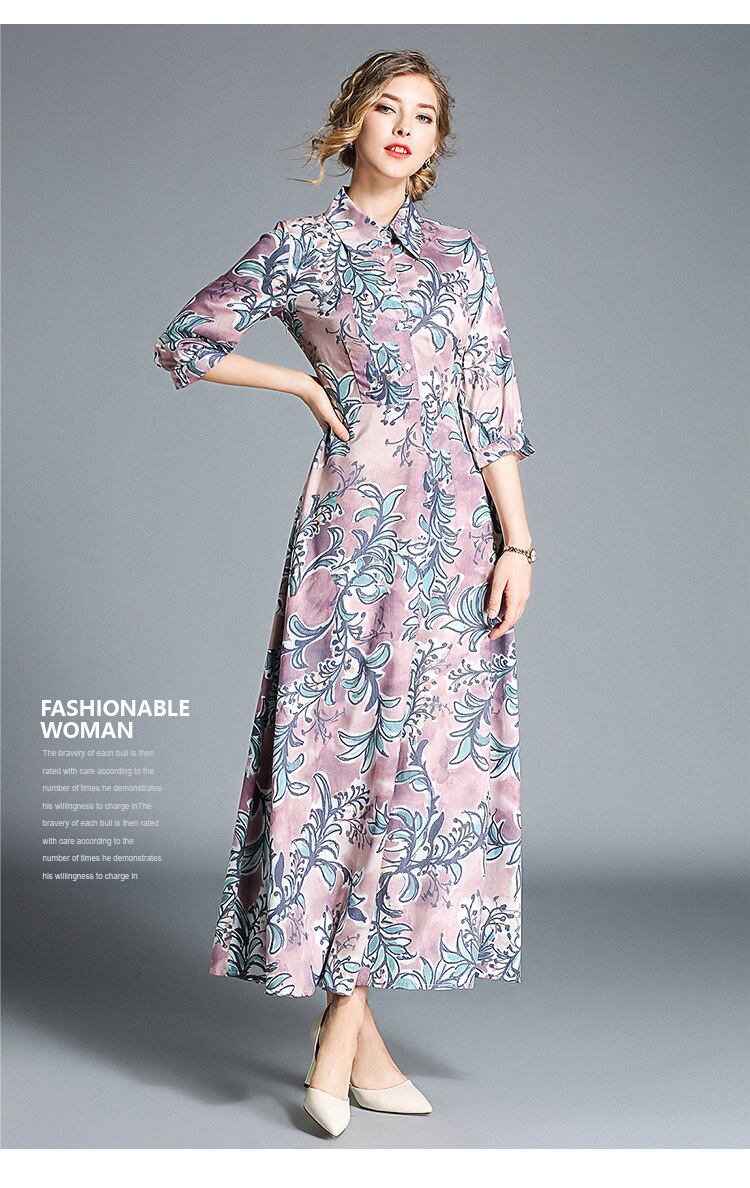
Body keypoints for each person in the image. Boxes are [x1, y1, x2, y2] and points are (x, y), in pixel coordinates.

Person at [153, 49, 536, 1138]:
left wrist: (519, 542)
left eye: (425, 116)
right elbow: (184, 342)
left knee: (419, 772)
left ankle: (345, 1033)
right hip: (355, 536)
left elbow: (493, 406)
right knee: (348, 767)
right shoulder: (302, 247)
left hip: (457, 540)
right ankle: (348, 1038)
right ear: (352, 123)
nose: (405, 128)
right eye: (386, 108)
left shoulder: (463, 256)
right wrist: (297, 382)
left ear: (437, 141)